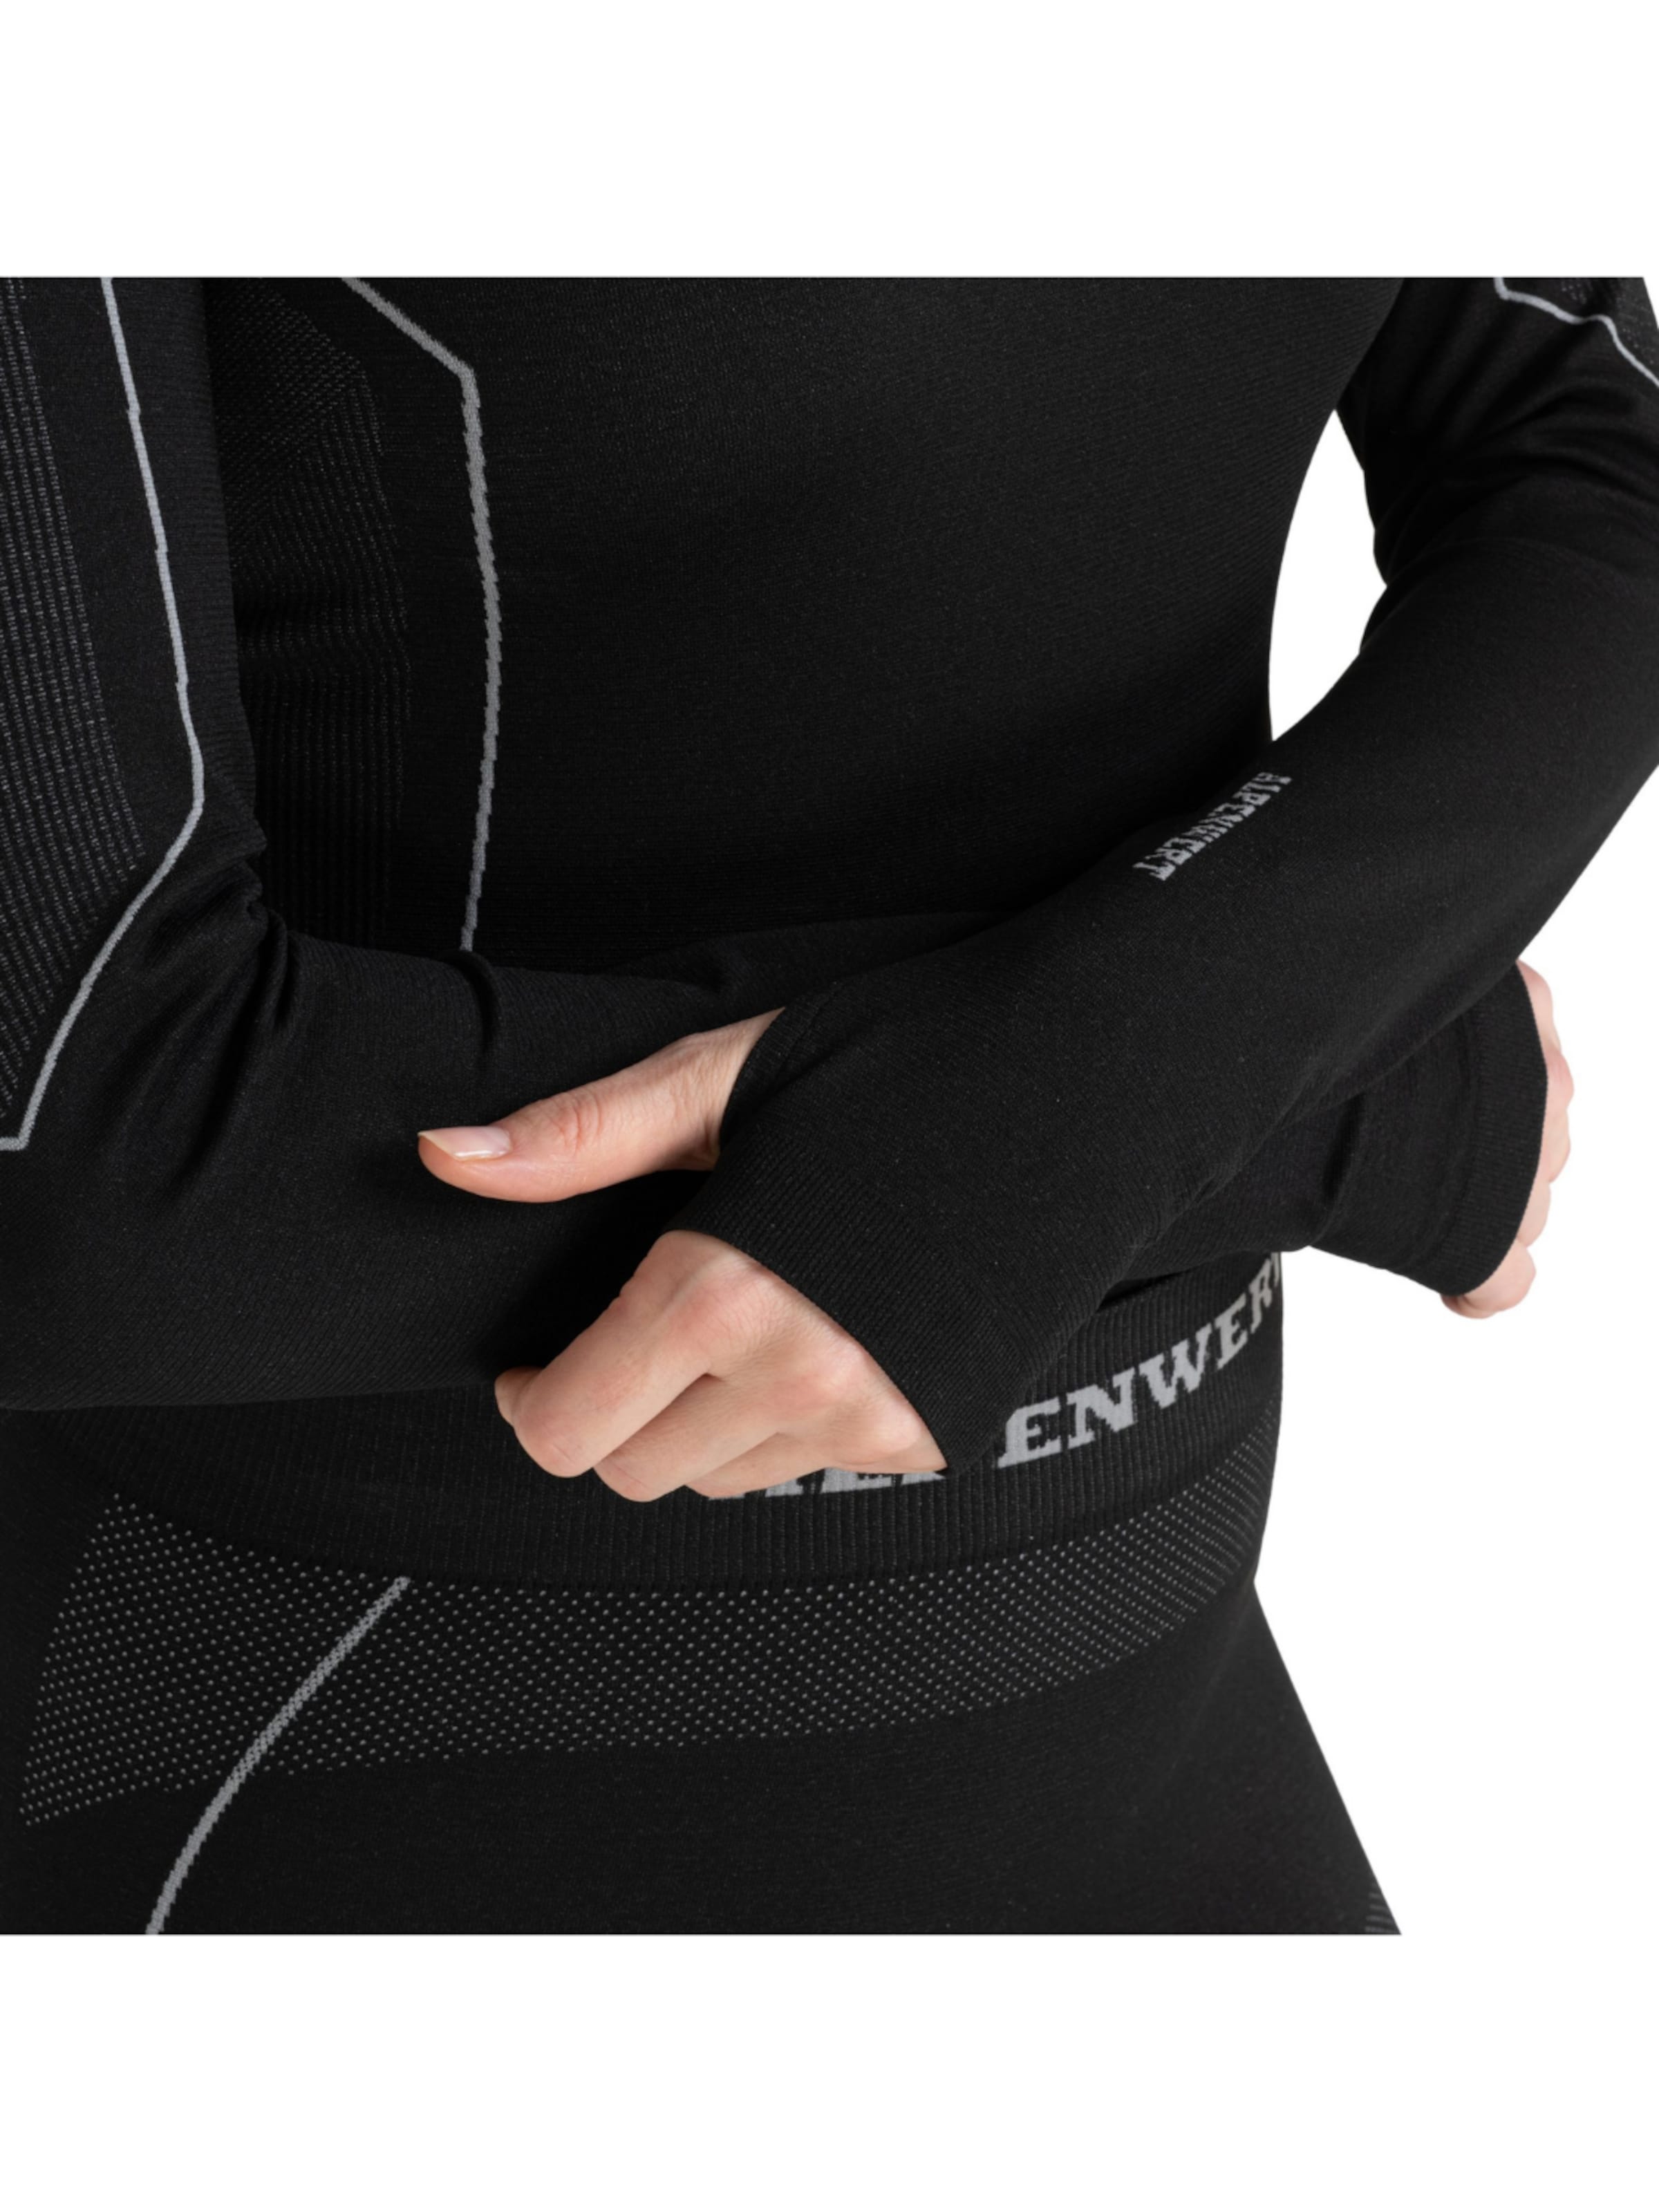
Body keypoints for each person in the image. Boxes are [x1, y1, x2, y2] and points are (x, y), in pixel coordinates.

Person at [0, 276, 1649, 1934]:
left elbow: (1593, 444)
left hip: (1157, 1720)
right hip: (335, 1773)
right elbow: (75, 1145)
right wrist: (1312, 1097)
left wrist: (1137, 1064)